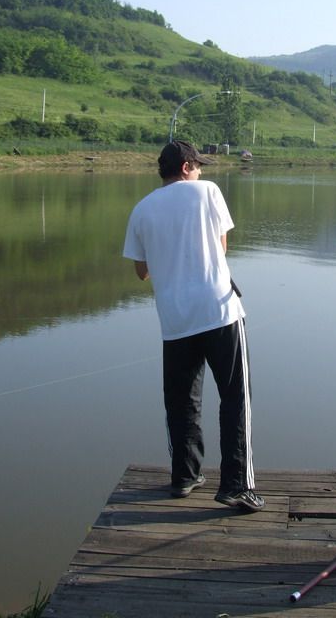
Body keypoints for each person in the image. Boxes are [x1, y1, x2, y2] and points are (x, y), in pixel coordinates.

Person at [123, 140, 264, 512]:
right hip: (219, 311)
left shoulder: (141, 209)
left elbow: (141, 271)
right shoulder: (209, 192)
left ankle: (185, 476)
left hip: (175, 319)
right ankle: (236, 485)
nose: (200, 171)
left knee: (182, 401)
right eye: (197, 165)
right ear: (186, 167)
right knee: (235, 397)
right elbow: (222, 247)